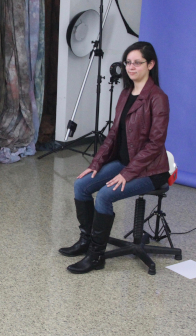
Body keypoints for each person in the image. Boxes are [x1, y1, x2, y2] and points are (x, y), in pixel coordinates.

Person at [59, 41, 171, 274]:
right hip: (124, 163)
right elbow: (112, 136)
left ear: (150, 64)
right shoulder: (125, 93)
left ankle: (96, 255)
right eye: (128, 62)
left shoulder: (158, 98)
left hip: (150, 170)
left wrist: (126, 174)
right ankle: (87, 240)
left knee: (105, 196)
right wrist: (96, 164)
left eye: (137, 63)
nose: (131, 67)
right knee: (81, 185)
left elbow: (155, 144)